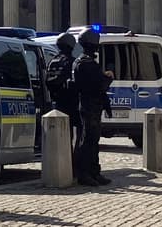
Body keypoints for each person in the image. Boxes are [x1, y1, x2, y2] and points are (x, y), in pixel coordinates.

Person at [73, 28, 114, 186]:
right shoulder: (87, 63)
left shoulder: (82, 62)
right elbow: (99, 85)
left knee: (93, 141)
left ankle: (94, 172)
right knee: (88, 141)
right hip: (89, 106)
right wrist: (108, 77)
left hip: (91, 105)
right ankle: (85, 173)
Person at [45, 32, 80, 175]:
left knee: (61, 138)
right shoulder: (71, 61)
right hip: (72, 103)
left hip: (57, 102)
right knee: (77, 135)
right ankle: (74, 166)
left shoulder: (52, 61)